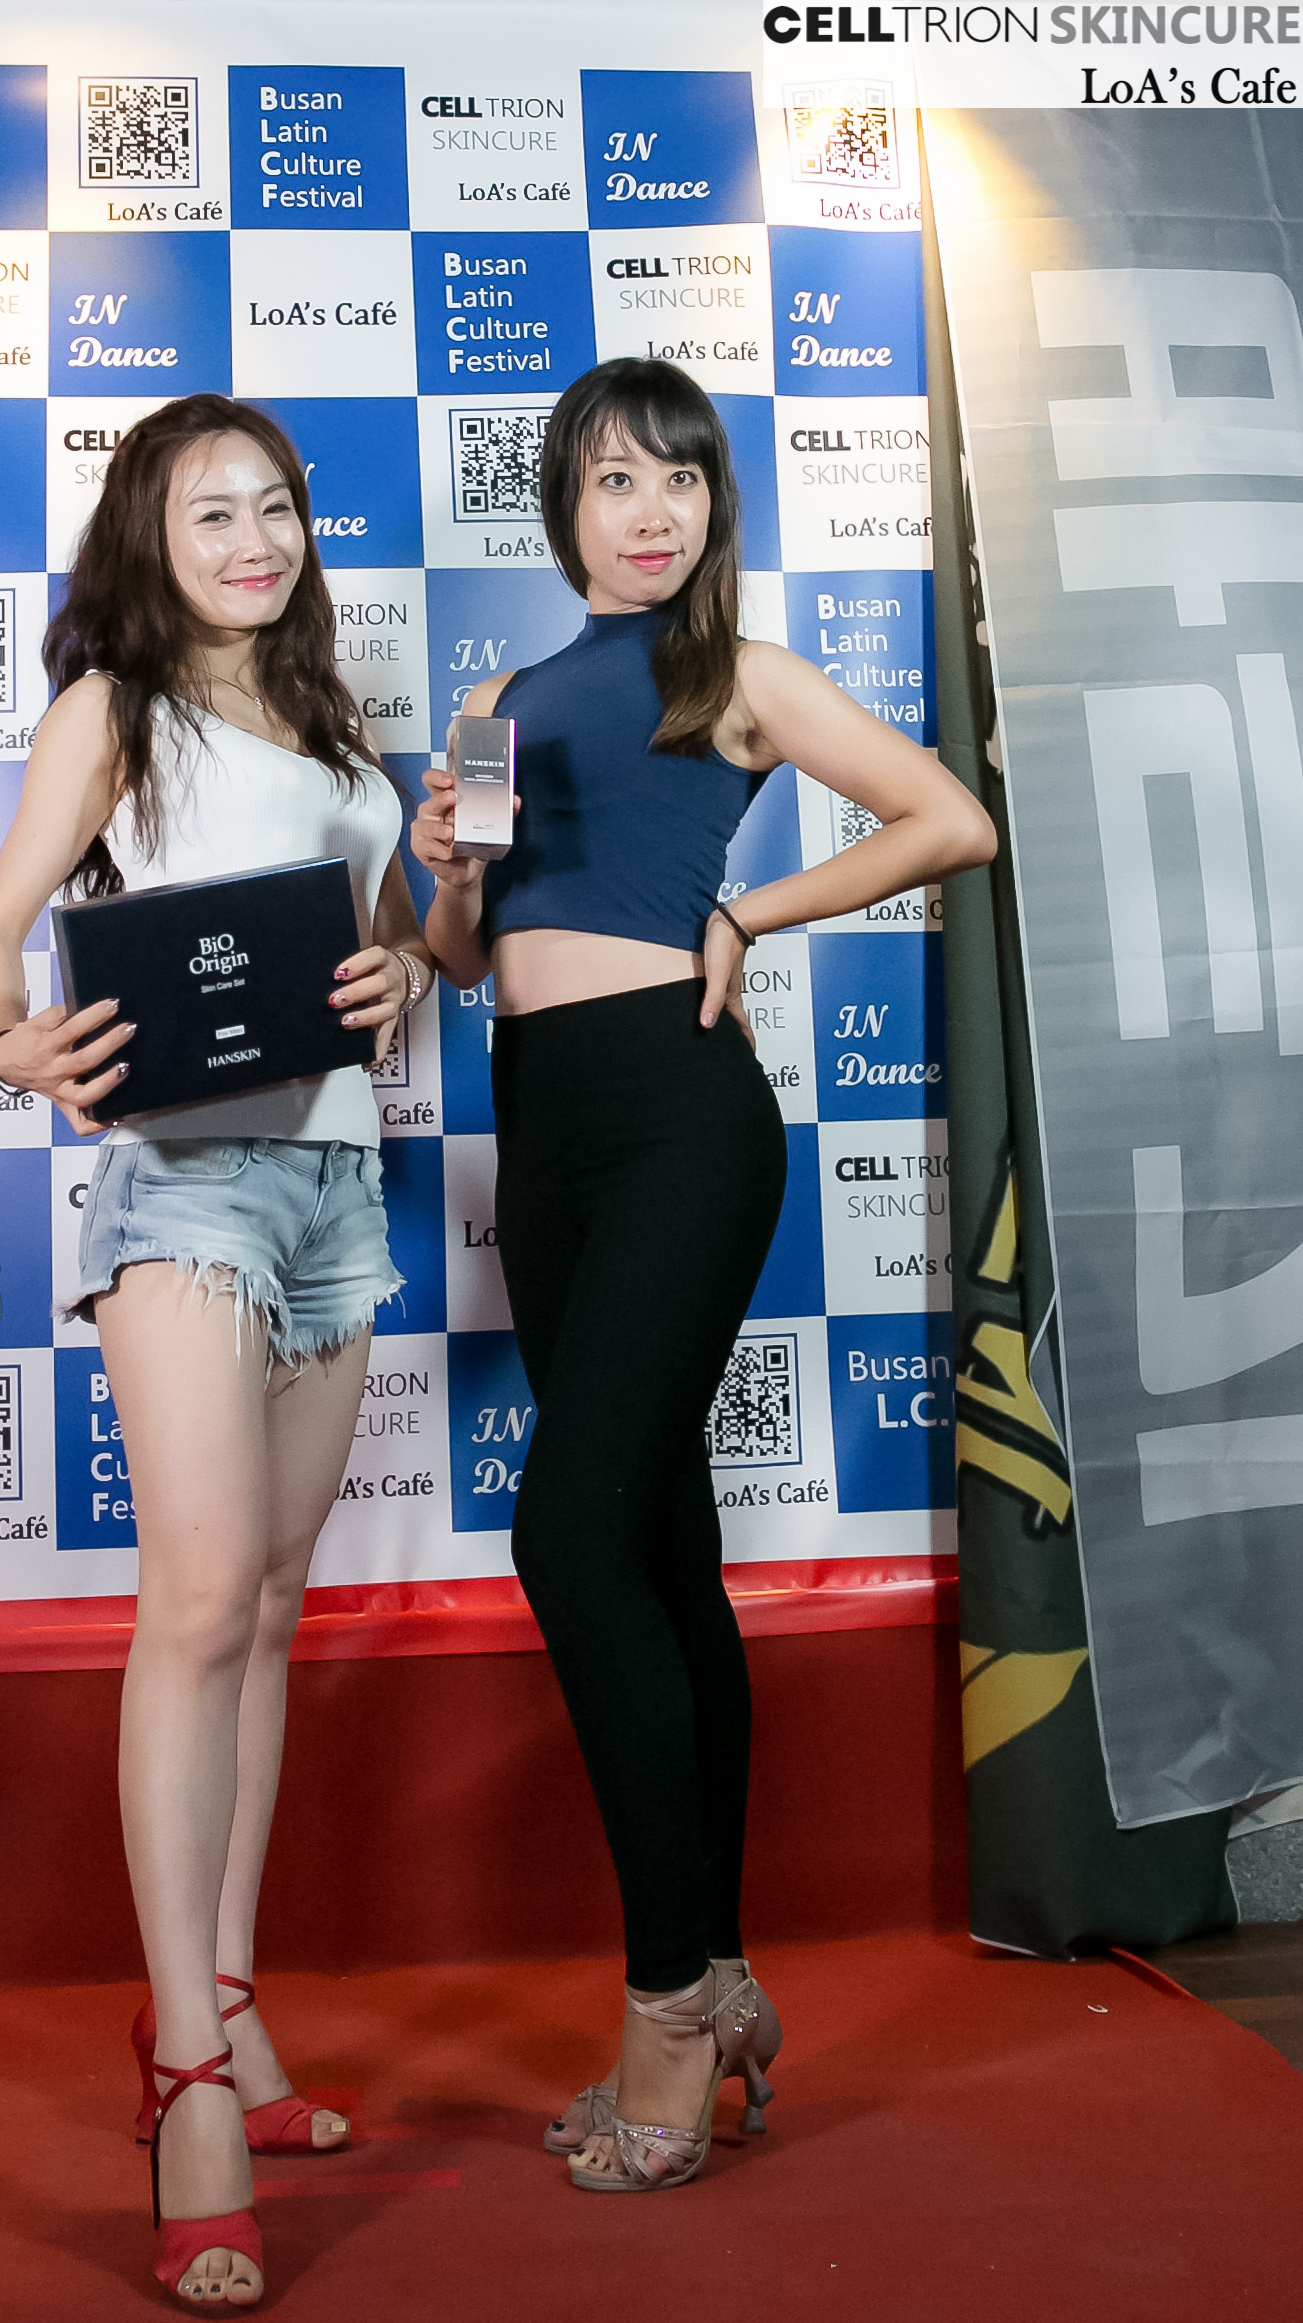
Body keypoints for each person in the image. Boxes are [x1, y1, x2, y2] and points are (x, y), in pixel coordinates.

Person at [411, 357, 994, 2195]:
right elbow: (458, 951)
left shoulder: (734, 675)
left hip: (679, 1110)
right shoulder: (496, 704)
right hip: (541, 1122)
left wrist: (748, 908)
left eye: (677, 478)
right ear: (561, 508)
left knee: (567, 1538)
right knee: (657, 1547)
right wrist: (439, 868)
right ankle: (721, 1974)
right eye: (611, 479)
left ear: (711, 507)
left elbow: (947, 819)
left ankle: (665, 2005)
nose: (648, 510)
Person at [0, 395, 433, 2308]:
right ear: (148, 542)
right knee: (204, 1597)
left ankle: (228, 2005)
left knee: (273, 1608)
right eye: (209, 512)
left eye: (276, 507)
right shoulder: (114, 710)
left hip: (338, 1186)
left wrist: (409, 963)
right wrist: (11, 1044)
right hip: (186, 1185)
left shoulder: (336, 729)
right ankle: (182, 2079)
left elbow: (392, 950)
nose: (253, 539)